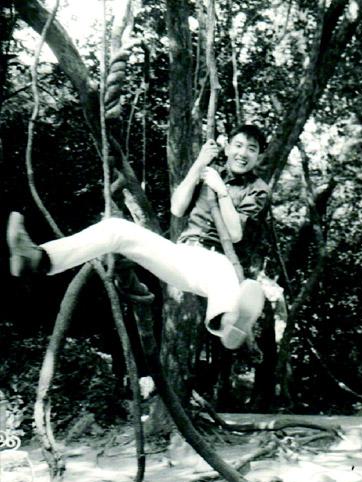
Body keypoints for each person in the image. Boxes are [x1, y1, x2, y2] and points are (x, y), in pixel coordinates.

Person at [7, 124, 269, 350]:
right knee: (116, 229)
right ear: (227, 148)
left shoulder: (257, 189)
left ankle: (229, 322)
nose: (243, 153)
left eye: (252, 149)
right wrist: (199, 164)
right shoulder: (210, 172)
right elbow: (177, 208)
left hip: (214, 262)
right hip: (183, 254)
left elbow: (235, 234)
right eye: (238, 145)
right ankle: (38, 258)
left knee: (221, 268)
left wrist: (221, 191)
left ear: (259, 156)